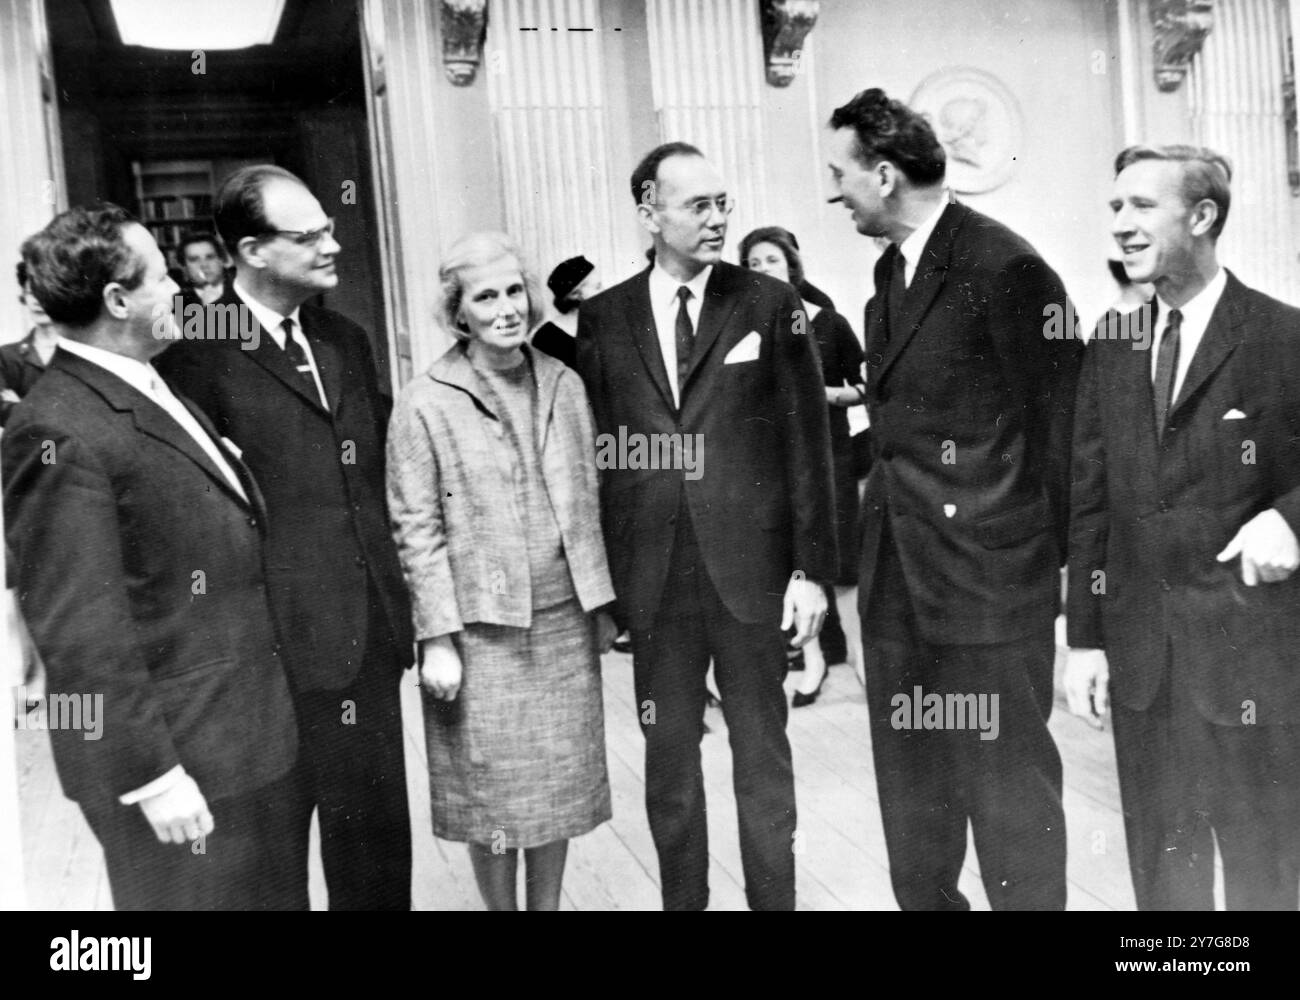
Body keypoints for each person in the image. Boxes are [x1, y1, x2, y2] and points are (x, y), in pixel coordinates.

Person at [827, 88, 1082, 910]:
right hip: (899, 586)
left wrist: (1044, 564)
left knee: (1009, 802)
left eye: (841, 174)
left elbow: (1065, 427)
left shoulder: (1005, 267)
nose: (834, 193)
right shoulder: (887, 274)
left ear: (887, 175)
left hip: (989, 588)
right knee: (915, 803)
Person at [3, 204, 301, 909]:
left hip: (242, 743)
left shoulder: (148, 383)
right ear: (116, 300)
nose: (181, 288)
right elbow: (80, 633)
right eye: (164, 275)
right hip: (179, 772)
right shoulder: (56, 428)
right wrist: (153, 777)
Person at [577, 141, 836, 911]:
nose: (720, 218)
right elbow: (598, 454)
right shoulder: (604, 317)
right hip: (654, 579)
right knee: (670, 769)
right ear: (649, 211)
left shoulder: (767, 303)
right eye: (699, 205)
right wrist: (605, 588)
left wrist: (811, 570)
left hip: (752, 576)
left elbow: (806, 442)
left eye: (724, 203)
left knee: (763, 759)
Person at [155, 165, 414, 910]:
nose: (333, 244)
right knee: (270, 871)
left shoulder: (345, 339)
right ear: (251, 251)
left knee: (374, 855)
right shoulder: (196, 348)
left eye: (328, 227)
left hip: (365, 642)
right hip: (265, 655)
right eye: (309, 236)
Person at [1066, 144, 1300, 910]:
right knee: (1165, 882)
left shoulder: (1280, 337)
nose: (1121, 226)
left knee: (1266, 870)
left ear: (1202, 217)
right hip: (1143, 666)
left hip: (1253, 666)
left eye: (1141, 207)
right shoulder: (1111, 344)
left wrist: (1288, 520)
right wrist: (1086, 640)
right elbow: (1091, 502)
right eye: (1115, 208)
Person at [388, 231, 617, 910]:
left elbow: (589, 496)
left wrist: (600, 603)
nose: (506, 308)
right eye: (486, 297)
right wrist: (435, 636)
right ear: (459, 312)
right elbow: (415, 525)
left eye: (515, 291)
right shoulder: (425, 401)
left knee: (559, 788)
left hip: (562, 621)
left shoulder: (565, 384)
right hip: (480, 634)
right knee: (491, 794)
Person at [740, 226, 865, 706]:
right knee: (795, 566)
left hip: (829, 457)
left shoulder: (829, 323)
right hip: (772, 464)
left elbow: (866, 387)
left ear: (791, 266)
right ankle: (811, 665)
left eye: (770, 260)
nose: (761, 271)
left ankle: (858, 656)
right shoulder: (744, 330)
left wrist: (824, 396)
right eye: (751, 264)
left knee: (845, 566)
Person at [1, 262, 57, 426]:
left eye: (45, 293)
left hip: (71, 450)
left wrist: (22, 406)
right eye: (32, 293)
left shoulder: (79, 353)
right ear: (24, 297)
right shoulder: (8, 356)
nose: (37, 301)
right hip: (27, 449)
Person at [531, 254, 601, 369]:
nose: (604, 291)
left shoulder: (607, 323)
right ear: (575, 295)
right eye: (597, 287)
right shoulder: (546, 338)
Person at [176, 231, 230, 309]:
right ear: (184, 267)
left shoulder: (242, 291)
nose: (204, 265)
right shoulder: (176, 302)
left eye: (210, 257)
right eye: (194, 259)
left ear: (221, 260)